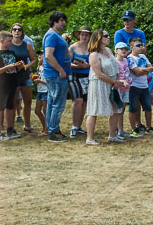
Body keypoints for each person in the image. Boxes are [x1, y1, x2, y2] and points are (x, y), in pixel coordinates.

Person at [85, 29, 127, 145]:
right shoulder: (94, 54)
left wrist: (116, 81)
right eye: (105, 36)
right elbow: (99, 74)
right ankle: (90, 138)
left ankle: (112, 135)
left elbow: (115, 66)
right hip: (99, 84)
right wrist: (113, 81)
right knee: (93, 110)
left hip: (112, 83)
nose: (108, 37)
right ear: (98, 38)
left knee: (116, 109)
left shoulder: (108, 50)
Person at [42, 11, 71, 142]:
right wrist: (61, 70)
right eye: (61, 20)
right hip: (56, 75)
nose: (64, 23)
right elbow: (48, 55)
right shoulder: (52, 36)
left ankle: (52, 128)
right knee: (57, 104)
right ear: (55, 21)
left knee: (52, 102)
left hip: (55, 74)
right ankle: (53, 131)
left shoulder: (53, 35)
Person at [0, 31, 22, 141]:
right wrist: (7, 67)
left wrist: (20, 66)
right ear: (1, 41)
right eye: (9, 41)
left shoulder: (12, 53)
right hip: (2, 84)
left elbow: (15, 68)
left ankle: (10, 130)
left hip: (12, 82)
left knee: (10, 106)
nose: (11, 42)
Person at [127, 38, 153, 137]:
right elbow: (136, 72)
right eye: (138, 45)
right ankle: (134, 129)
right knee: (133, 108)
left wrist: (142, 69)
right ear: (131, 47)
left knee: (148, 107)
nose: (141, 47)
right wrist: (145, 70)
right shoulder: (130, 58)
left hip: (144, 86)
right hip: (134, 86)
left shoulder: (143, 56)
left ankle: (149, 127)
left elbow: (151, 68)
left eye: (141, 45)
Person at [9, 23, 37, 134]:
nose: (17, 31)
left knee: (28, 102)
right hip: (12, 76)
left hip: (25, 76)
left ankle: (27, 125)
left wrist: (25, 66)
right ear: (11, 32)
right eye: (14, 29)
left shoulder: (27, 45)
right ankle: (11, 127)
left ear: (22, 32)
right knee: (14, 102)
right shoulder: (8, 44)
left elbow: (34, 60)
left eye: (19, 29)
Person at [66, 25, 91, 138]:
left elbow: (96, 61)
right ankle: (74, 127)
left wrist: (88, 64)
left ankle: (79, 126)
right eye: (82, 34)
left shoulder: (92, 48)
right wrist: (78, 66)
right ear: (78, 35)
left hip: (87, 76)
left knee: (85, 102)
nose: (84, 37)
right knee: (78, 100)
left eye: (86, 35)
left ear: (89, 36)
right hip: (74, 75)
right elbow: (66, 63)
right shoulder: (72, 47)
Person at [113, 42, 133, 139]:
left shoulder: (125, 60)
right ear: (116, 51)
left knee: (122, 110)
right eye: (121, 49)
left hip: (126, 88)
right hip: (119, 88)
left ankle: (120, 130)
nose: (124, 50)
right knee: (118, 110)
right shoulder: (114, 62)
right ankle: (115, 130)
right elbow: (114, 78)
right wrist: (123, 81)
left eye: (125, 49)